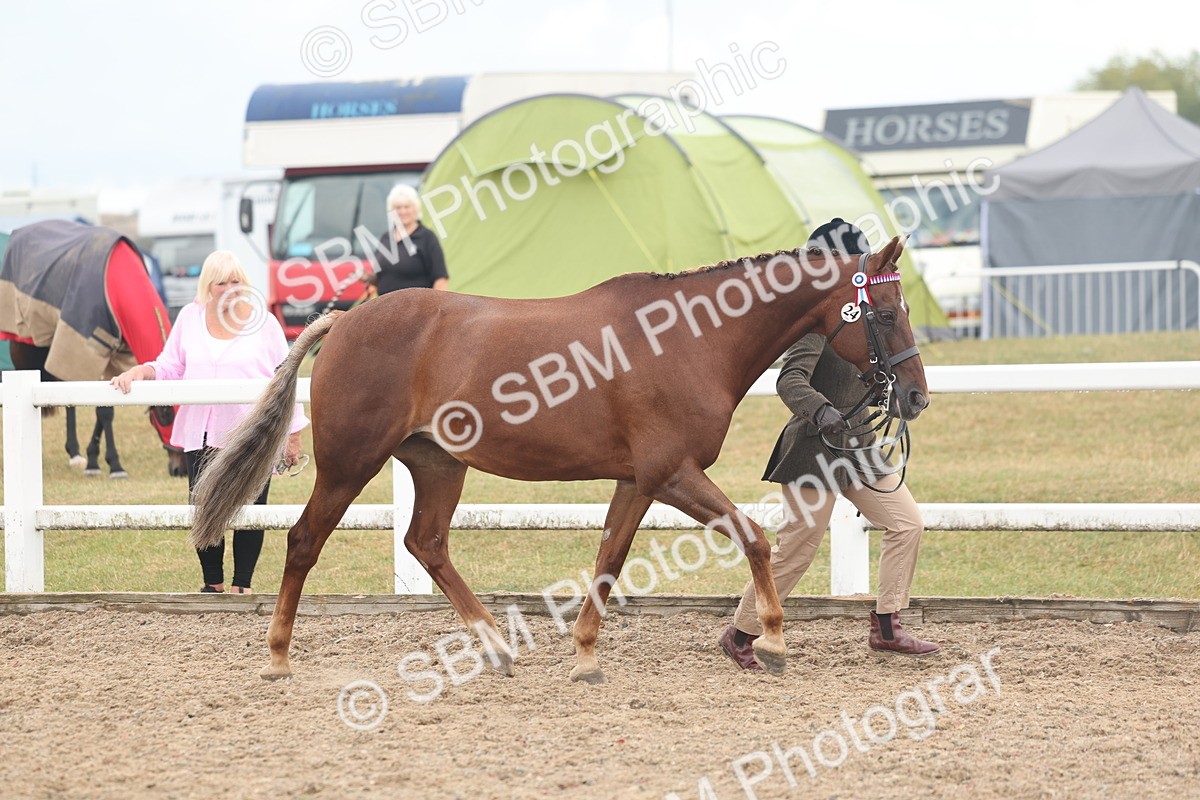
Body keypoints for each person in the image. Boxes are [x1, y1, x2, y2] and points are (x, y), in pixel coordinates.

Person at [719, 218, 939, 670]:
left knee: (907, 523)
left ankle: (887, 624)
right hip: (813, 450)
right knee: (798, 547)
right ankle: (740, 631)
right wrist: (821, 410)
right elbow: (791, 380)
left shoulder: (864, 317)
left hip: (859, 445)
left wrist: (884, 392)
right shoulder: (813, 325)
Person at [110, 251, 308, 594]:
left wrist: (293, 434)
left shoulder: (264, 323)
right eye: (221, 283)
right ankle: (212, 584)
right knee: (204, 507)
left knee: (250, 511)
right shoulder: (190, 317)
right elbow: (171, 365)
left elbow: (285, 379)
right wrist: (144, 370)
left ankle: (241, 585)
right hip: (201, 431)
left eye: (236, 281)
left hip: (253, 434)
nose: (229, 289)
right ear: (208, 286)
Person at [366, 183, 449, 295]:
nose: (402, 212)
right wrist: (367, 277)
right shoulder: (386, 238)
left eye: (406, 207)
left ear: (415, 209)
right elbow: (383, 279)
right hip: (385, 309)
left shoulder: (427, 237)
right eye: (398, 208)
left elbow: (441, 279)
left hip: (417, 309)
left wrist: (433, 309)